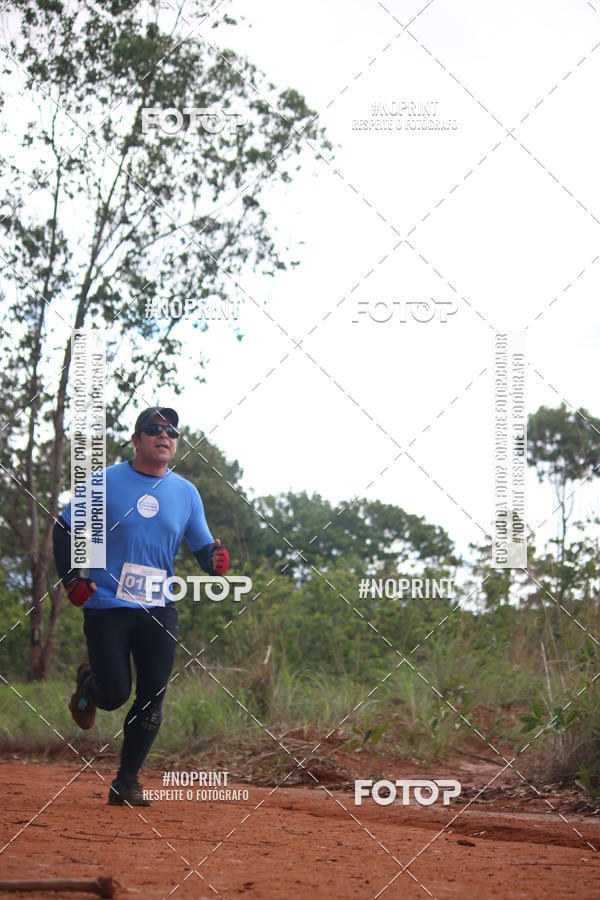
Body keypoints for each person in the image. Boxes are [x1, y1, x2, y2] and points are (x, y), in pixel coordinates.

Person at [52, 406, 229, 806]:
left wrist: (214, 561)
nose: (164, 436)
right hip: (107, 604)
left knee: (152, 696)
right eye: (154, 429)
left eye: (172, 432)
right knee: (114, 693)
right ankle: (89, 686)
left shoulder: (186, 493)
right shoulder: (107, 482)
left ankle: (127, 781)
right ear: (136, 440)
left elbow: (202, 546)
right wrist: (71, 580)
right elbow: (64, 528)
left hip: (159, 606)